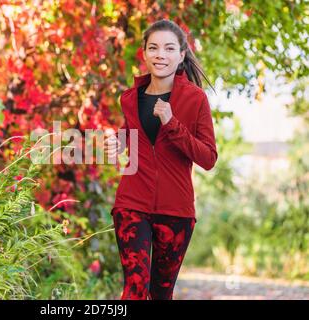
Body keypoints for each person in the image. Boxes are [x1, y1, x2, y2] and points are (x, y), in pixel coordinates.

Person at [104, 19, 218, 300]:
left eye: (169, 48)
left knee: (160, 294)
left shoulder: (196, 99)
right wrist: (115, 144)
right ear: (144, 53)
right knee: (135, 287)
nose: (160, 55)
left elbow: (208, 157)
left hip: (176, 211)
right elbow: (132, 138)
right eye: (153, 48)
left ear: (181, 55)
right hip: (132, 205)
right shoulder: (129, 99)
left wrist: (172, 123)